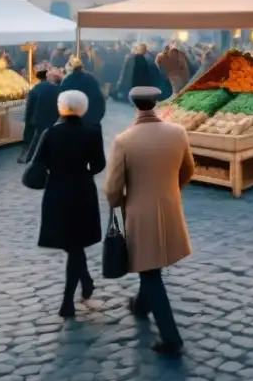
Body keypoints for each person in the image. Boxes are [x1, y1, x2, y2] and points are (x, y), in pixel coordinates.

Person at [103, 86, 195, 357]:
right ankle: (140, 305)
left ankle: (171, 337)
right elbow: (188, 169)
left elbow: (112, 189)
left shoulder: (125, 140)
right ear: (156, 103)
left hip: (139, 212)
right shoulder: (178, 133)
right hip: (170, 206)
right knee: (151, 262)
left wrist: (118, 207)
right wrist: (171, 190)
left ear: (134, 105)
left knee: (150, 270)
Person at [32, 90, 106, 318]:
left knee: (71, 244)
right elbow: (98, 165)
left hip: (57, 191)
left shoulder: (50, 133)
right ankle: (83, 285)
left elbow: (37, 162)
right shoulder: (92, 133)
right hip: (82, 191)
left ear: (61, 107)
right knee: (76, 244)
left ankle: (69, 299)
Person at [24, 68, 62, 162]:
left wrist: (28, 119)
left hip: (39, 119)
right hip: (54, 119)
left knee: (37, 138)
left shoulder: (37, 88)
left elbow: (30, 105)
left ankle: (31, 158)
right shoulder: (59, 89)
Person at [61, 56, 107, 127]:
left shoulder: (67, 80)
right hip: (91, 119)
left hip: (73, 121)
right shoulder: (91, 79)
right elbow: (100, 100)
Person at [17, 67, 50, 164]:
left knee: (31, 139)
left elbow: (29, 106)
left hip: (34, 118)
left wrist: (27, 119)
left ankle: (27, 157)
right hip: (47, 118)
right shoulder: (53, 88)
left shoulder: (35, 90)